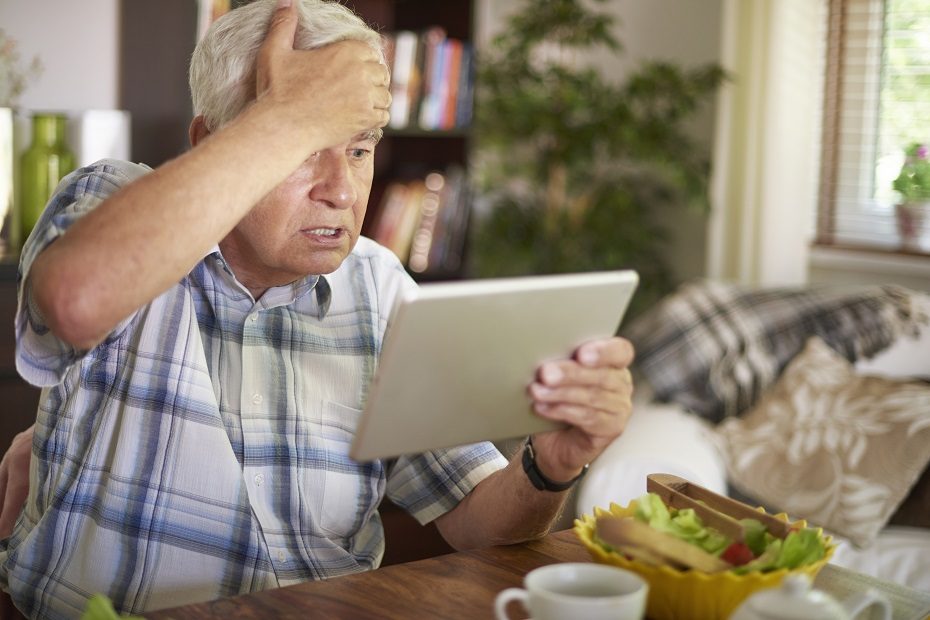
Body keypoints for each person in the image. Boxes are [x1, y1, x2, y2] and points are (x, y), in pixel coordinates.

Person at [0, 0, 636, 617]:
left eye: (359, 150)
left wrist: (549, 466)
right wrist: (288, 115)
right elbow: (76, 299)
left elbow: (476, 520)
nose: (341, 191)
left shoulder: (379, 285)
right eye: (305, 149)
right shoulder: (112, 200)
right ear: (210, 141)